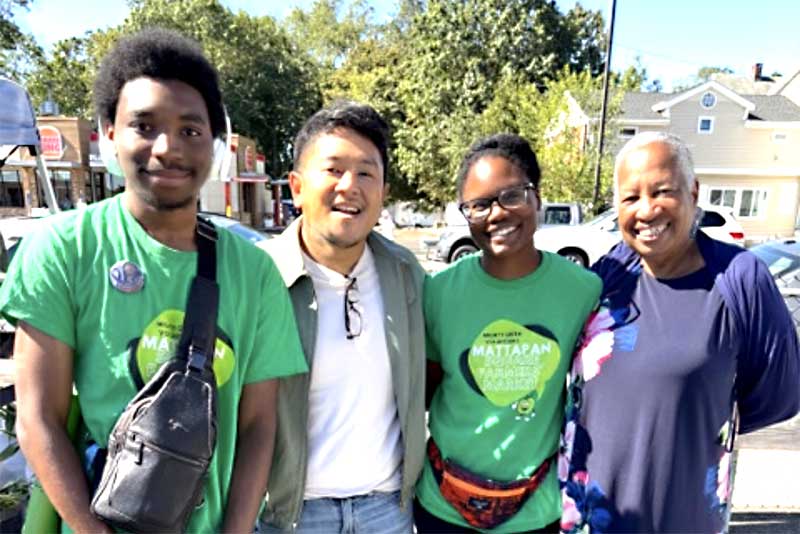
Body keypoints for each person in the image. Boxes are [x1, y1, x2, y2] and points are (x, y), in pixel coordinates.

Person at [0, 28, 307, 533]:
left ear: (214, 142)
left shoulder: (254, 273)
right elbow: (38, 420)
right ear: (108, 133)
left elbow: (258, 426)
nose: (167, 148)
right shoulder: (64, 249)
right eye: (144, 125)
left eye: (190, 130)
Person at [560, 132, 800, 533]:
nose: (647, 210)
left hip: (681, 515)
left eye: (662, 191)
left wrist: (699, 419)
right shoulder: (607, 276)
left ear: (693, 192)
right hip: (587, 517)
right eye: (630, 197)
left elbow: (780, 394)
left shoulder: (739, 278)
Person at [415, 133, 601, 533]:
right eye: (479, 205)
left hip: (535, 510)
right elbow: (425, 393)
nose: (497, 214)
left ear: (538, 198)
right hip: (444, 507)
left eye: (512, 195)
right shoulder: (438, 291)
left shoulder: (582, 291)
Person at [257, 101, 426, 533]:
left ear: (383, 192)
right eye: (333, 170)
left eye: (366, 172)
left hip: (386, 510)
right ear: (296, 186)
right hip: (289, 514)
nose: (350, 186)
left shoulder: (408, 276)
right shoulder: (256, 279)